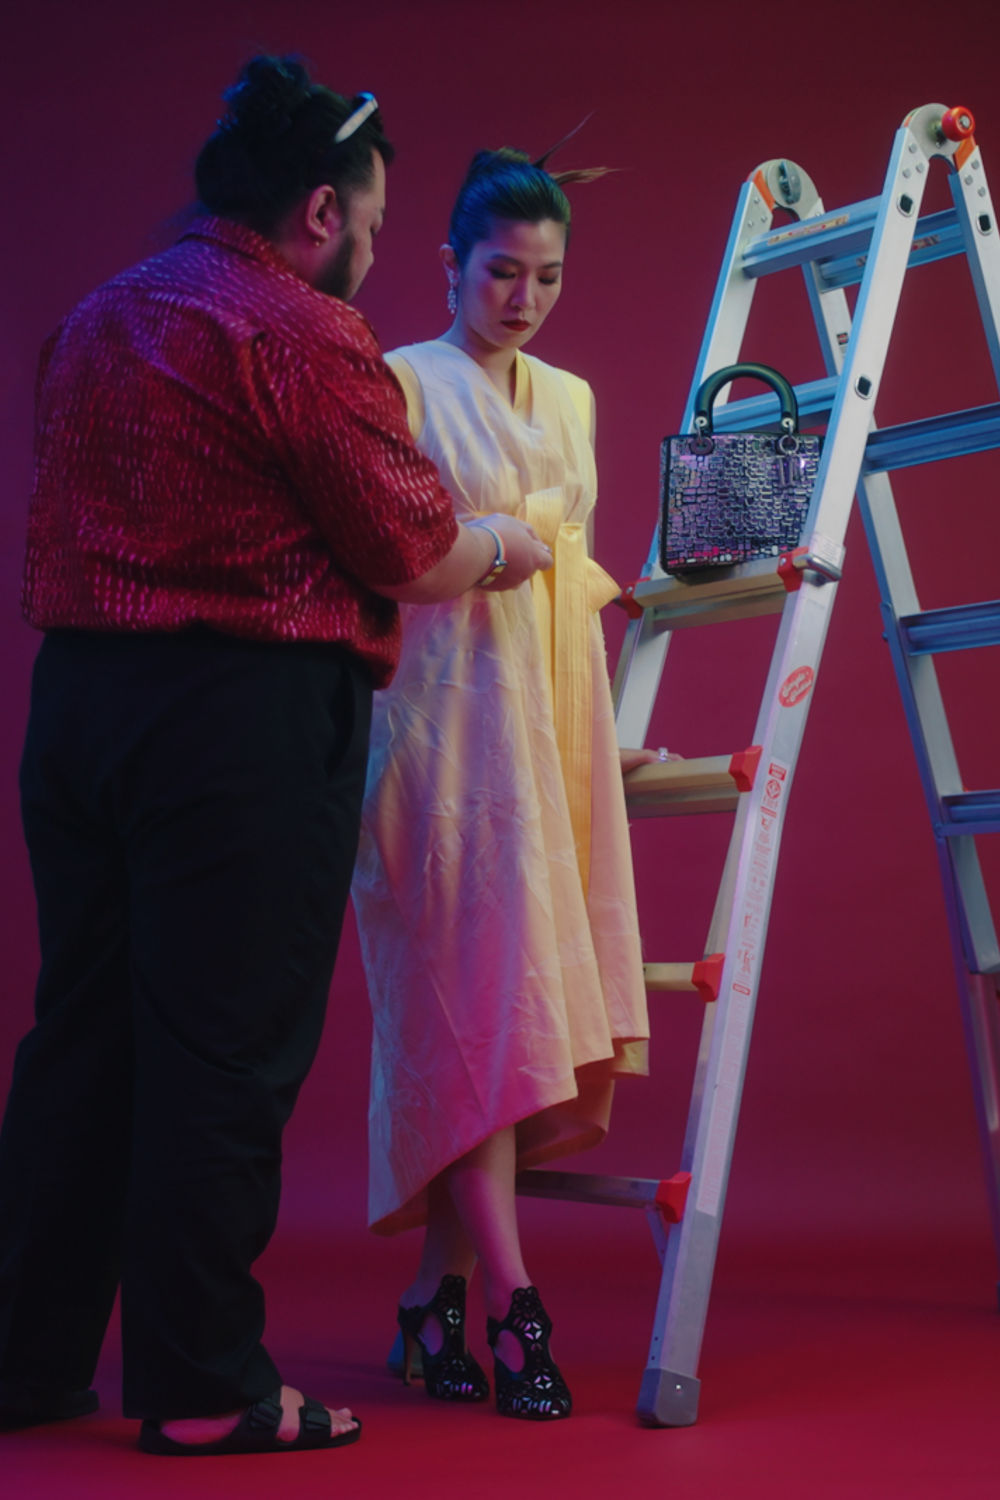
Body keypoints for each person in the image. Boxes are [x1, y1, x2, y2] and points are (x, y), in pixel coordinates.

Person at [0, 58, 552, 1458]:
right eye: (370, 228)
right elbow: (410, 546)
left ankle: (24, 1355)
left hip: (76, 713)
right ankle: (199, 1386)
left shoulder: (100, 312)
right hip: (234, 727)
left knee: (86, 1039)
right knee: (222, 1055)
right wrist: (507, 550)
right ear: (319, 211)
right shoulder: (300, 331)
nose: (372, 253)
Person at [352, 146, 653, 1421]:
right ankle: (515, 1305)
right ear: (451, 264)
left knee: (521, 1020)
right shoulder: (398, 382)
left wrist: (608, 719)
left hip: (552, 726)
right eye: (501, 272)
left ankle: (430, 1307)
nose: (524, 297)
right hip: (441, 732)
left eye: (547, 276)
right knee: (483, 1003)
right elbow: (382, 554)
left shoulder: (574, 400)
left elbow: (577, 571)